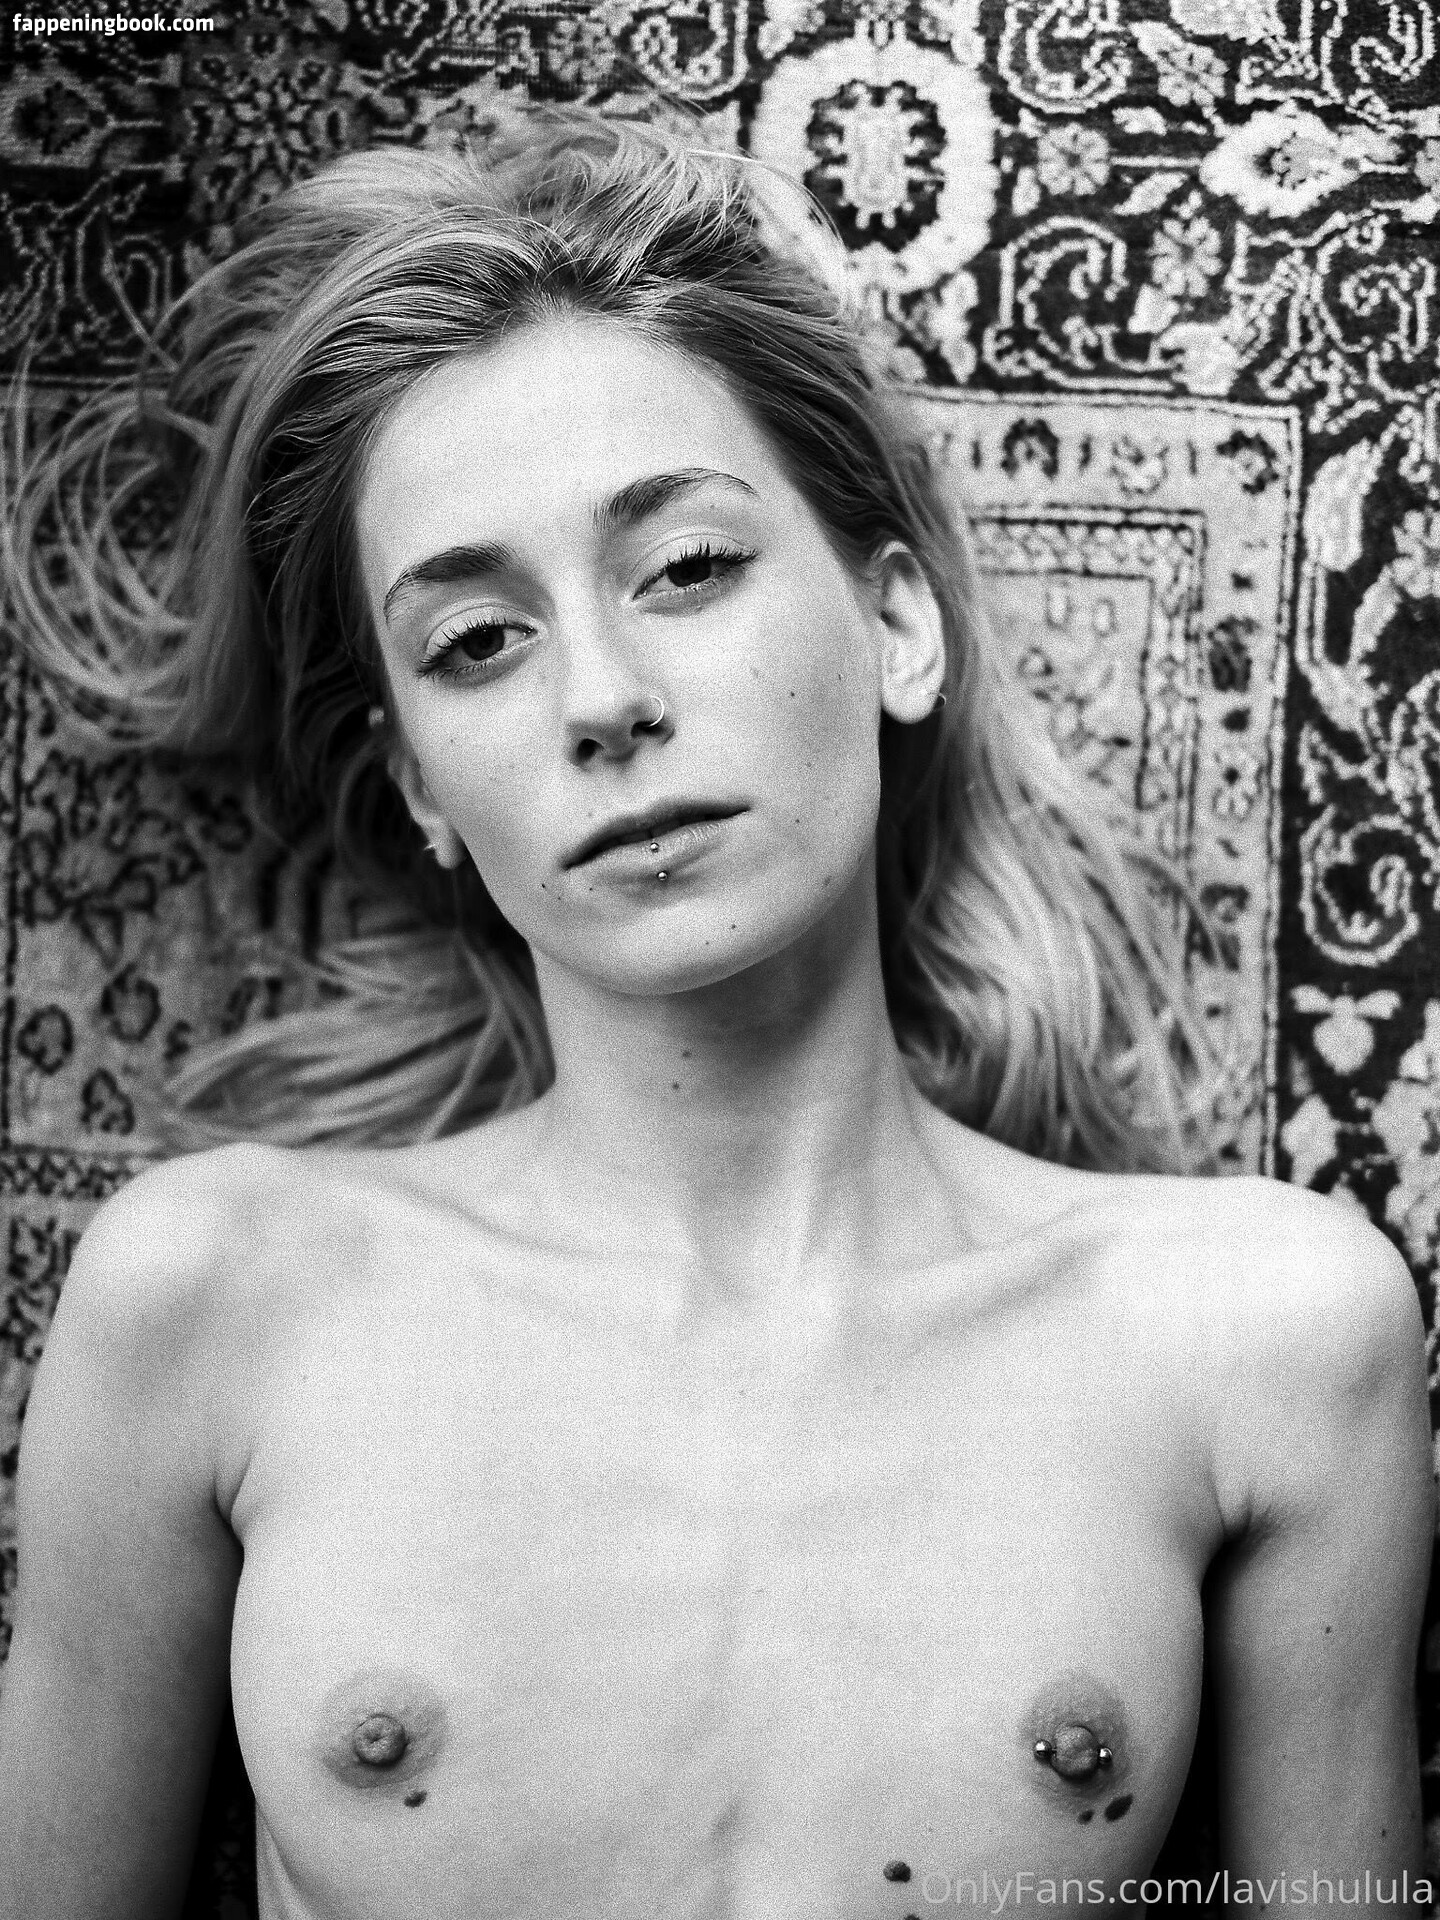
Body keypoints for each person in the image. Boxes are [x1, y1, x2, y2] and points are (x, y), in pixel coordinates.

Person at [0, 106, 1431, 1920]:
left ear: (898, 625)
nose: (602, 699)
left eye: (686, 567)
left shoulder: (1265, 1338)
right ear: (423, 784)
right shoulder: (213, 1304)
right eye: (476, 642)